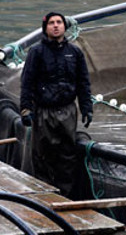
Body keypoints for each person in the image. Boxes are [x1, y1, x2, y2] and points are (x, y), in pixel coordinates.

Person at [19, 11, 93, 198]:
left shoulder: (74, 52)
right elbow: (27, 81)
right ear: (45, 28)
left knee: (67, 155)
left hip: (67, 110)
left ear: (64, 26)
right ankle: (45, 195)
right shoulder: (36, 52)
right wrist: (26, 108)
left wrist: (86, 107)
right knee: (43, 154)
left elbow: (83, 82)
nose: (56, 25)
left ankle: (65, 195)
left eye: (59, 22)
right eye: (51, 23)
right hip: (44, 111)